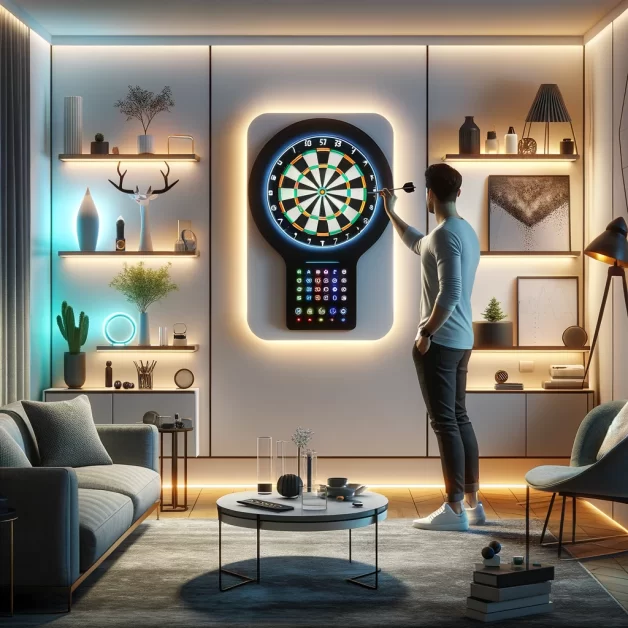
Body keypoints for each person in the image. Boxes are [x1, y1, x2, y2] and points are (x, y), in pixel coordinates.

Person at [381, 163, 483, 531]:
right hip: (461, 341)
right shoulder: (461, 232)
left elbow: (451, 291)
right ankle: (473, 503)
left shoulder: (445, 235)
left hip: (441, 342)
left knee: (445, 424)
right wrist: (391, 211)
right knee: (459, 418)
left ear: (429, 194)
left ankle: (453, 509)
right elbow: (417, 243)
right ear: (456, 192)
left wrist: (426, 331)